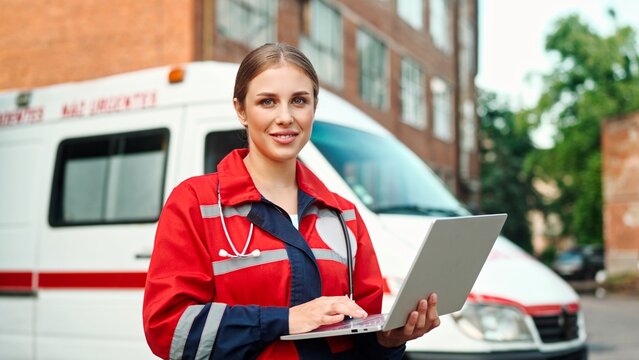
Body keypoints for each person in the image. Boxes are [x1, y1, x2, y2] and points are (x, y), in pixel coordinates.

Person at [143, 43, 440, 359]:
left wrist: (388, 342)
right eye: (267, 102)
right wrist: (286, 320)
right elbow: (169, 329)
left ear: (313, 107)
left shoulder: (344, 214)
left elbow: (359, 335)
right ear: (241, 110)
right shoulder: (195, 203)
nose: (285, 117)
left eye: (299, 101)